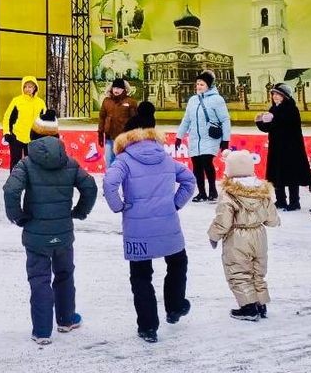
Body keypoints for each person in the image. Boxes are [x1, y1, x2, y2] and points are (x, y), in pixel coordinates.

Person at [103, 101, 196, 344]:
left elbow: (110, 183)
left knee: (141, 276)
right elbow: (189, 180)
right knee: (178, 263)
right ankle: (175, 306)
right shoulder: (165, 159)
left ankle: (148, 326)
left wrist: (118, 206)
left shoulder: (123, 160)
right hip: (168, 225)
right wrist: (176, 203)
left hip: (137, 228)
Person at [3, 126, 97, 345]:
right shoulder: (70, 162)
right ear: (58, 138)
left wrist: (18, 217)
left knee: (39, 280)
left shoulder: (26, 164)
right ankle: (66, 319)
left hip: (36, 234)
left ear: (33, 138)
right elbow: (90, 186)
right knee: (64, 274)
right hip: (63, 233)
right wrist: (80, 212)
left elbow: (10, 190)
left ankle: (42, 331)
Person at [207, 149, 280, 320]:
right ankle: (260, 304)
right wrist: (273, 221)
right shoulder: (262, 190)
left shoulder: (229, 192)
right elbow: (272, 218)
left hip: (237, 237)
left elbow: (223, 219)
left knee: (238, 271)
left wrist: (214, 235)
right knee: (257, 271)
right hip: (259, 234)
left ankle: (248, 307)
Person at [255, 82, 311, 211]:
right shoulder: (274, 108)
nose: (275, 96)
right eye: (273, 93)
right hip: (276, 147)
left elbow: (285, 124)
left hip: (291, 148)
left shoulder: (291, 108)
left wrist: (273, 120)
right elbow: (268, 128)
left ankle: (294, 202)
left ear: (285, 96)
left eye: (278, 94)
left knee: (291, 176)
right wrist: (259, 121)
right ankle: (280, 200)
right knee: (276, 174)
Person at [175, 71, 230, 202]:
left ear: (209, 86)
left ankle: (212, 191)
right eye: (197, 84)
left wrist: (225, 140)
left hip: (210, 137)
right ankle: (201, 193)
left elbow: (225, 120)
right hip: (195, 138)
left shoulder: (217, 99)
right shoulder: (193, 100)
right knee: (197, 165)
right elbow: (186, 120)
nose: (198, 86)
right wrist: (179, 136)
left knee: (206, 161)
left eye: (202, 84)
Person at [1, 76, 47, 169]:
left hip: (33, 138)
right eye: (25, 87)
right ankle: (14, 182)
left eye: (30, 87)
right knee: (16, 162)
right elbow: (7, 117)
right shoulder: (17, 100)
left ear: (35, 87)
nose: (27, 89)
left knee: (32, 163)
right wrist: (7, 132)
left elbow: (44, 120)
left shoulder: (40, 103)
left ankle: (30, 182)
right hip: (16, 136)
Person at [98, 78, 138, 168]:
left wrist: (134, 135)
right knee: (109, 161)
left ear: (124, 89)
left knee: (123, 162)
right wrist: (100, 132)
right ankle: (110, 180)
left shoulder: (131, 102)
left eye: (119, 88)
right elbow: (102, 117)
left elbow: (135, 120)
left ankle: (124, 180)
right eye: (114, 88)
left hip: (124, 138)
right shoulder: (106, 101)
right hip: (109, 137)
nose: (116, 90)